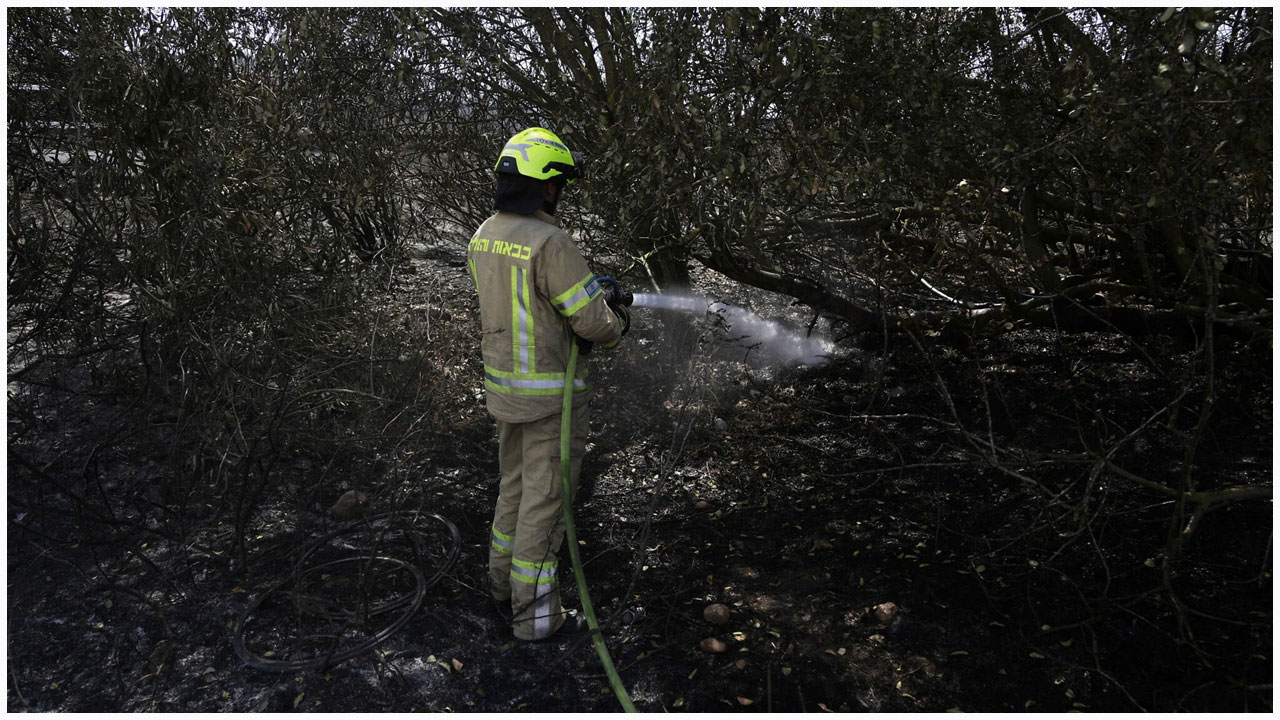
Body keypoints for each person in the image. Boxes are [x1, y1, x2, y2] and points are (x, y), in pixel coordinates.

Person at [467, 127, 626, 641]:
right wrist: (615, 319)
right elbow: (595, 325)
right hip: (550, 401)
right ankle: (535, 619)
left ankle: (501, 586)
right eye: (559, 183)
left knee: (513, 491)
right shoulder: (550, 242)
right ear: (546, 185)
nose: (560, 192)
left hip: (505, 394)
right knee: (546, 502)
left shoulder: (484, 233)